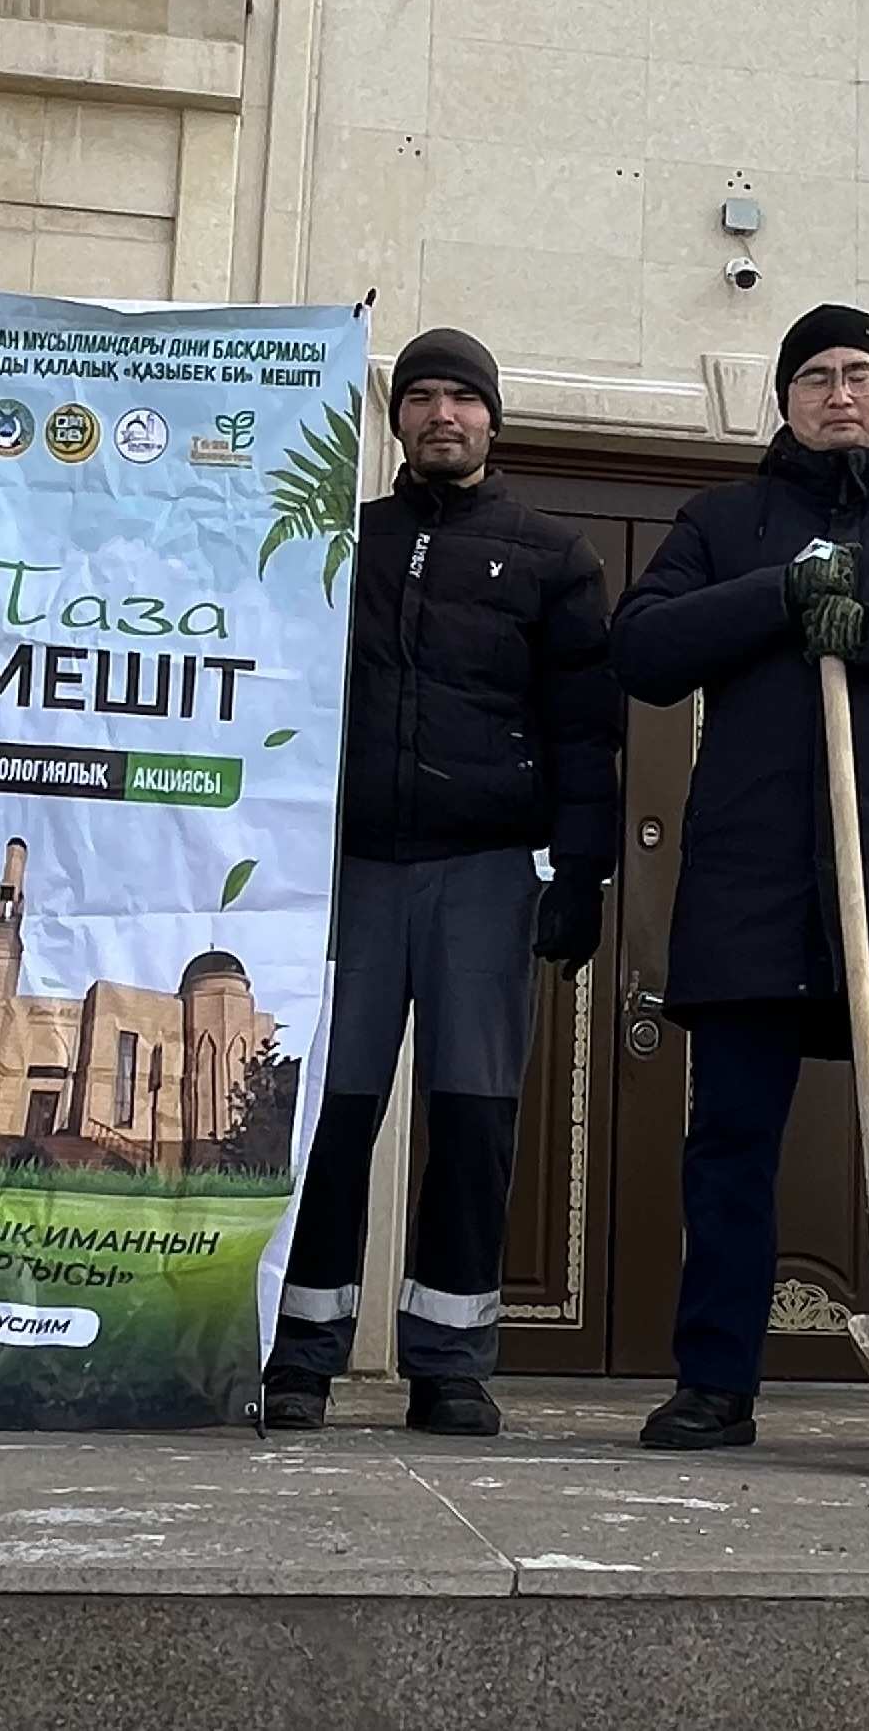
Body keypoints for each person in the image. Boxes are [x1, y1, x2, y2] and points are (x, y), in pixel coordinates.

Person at [610, 304, 869, 1451]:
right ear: (785, 403)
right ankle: (714, 1380)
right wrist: (777, 596)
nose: (836, 392)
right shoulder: (724, 520)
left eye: (858, 373)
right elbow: (643, 649)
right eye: (811, 376)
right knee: (731, 1149)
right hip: (753, 889)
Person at [263, 328, 620, 1438]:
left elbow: (584, 728)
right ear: (395, 424)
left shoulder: (553, 557)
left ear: (491, 420)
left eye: (461, 397)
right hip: (349, 871)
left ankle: (450, 1360)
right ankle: (300, 1353)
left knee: (472, 1121)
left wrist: (579, 869)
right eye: (417, 398)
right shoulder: (336, 544)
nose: (439, 415)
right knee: (327, 1114)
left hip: (483, 874)